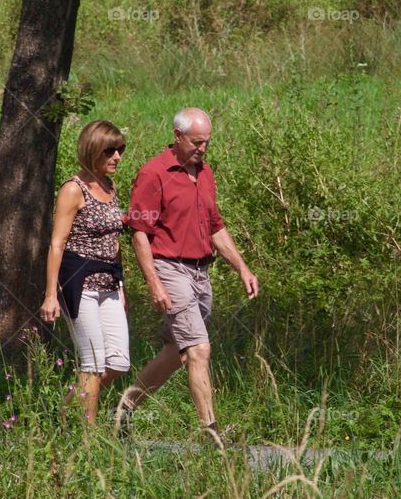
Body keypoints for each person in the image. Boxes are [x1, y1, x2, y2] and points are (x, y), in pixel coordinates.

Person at [117, 107, 258, 441]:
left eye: (207, 142)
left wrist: (242, 268)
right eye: (196, 142)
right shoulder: (154, 173)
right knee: (199, 349)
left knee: (177, 352)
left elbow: (216, 228)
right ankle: (211, 431)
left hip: (200, 272)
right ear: (177, 136)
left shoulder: (205, 172)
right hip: (170, 268)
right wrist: (155, 283)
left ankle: (124, 407)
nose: (202, 148)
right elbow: (139, 233)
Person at [40, 120, 130, 424]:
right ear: (92, 150)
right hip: (78, 284)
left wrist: (121, 288)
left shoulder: (110, 185)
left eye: (120, 150)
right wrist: (51, 295)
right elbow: (56, 243)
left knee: (117, 361)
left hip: (109, 284)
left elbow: (114, 240)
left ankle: (66, 410)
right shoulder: (72, 189)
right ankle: (88, 439)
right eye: (110, 151)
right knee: (91, 364)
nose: (117, 157)